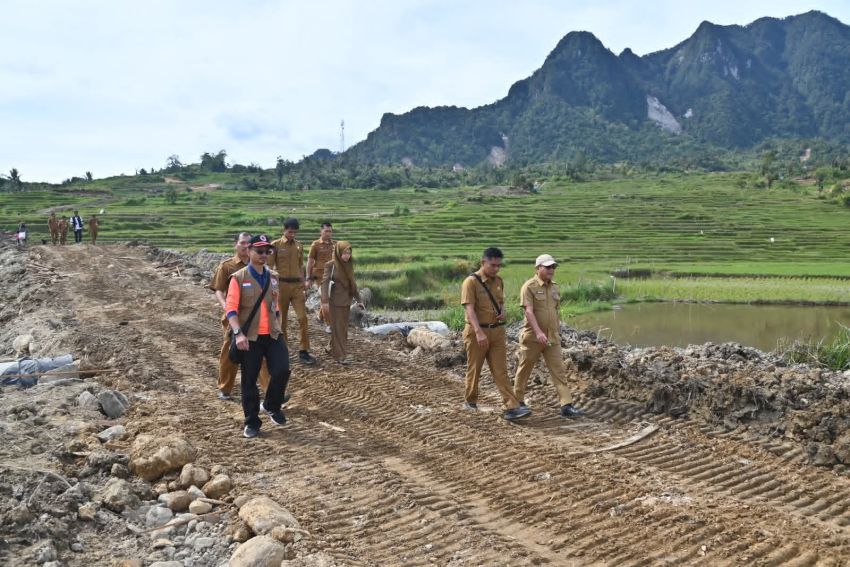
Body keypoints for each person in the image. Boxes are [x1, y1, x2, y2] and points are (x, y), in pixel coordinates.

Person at [225, 234, 290, 438]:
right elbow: (231, 309)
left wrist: (278, 324)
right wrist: (238, 334)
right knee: (249, 381)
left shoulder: (273, 277)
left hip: (272, 334)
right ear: (249, 251)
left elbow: (276, 305)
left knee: (282, 370)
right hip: (249, 337)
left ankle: (271, 405)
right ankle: (252, 422)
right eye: (259, 251)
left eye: (267, 251)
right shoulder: (239, 278)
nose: (263, 255)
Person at [461, 247, 531, 421]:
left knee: (501, 371)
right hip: (477, 332)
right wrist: (479, 332)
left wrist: (502, 311)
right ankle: (470, 401)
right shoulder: (471, 282)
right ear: (483, 262)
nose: (496, 269)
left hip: (497, 331)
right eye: (493, 265)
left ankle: (512, 407)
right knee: (474, 368)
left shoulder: (499, 281)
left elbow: (500, 302)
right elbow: (469, 309)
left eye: (499, 265)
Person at [512, 254, 584, 418]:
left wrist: (557, 330)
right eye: (548, 267)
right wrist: (538, 332)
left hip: (552, 337)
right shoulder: (529, 287)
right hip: (533, 337)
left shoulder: (555, 287)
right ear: (538, 268)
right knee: (525, 369)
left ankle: (566, 405)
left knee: (559, 370)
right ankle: (517, 401)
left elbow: (555, 311)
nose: (552, 270)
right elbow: (528, 312)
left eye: (553, 267)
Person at [210, 232, 267, 401]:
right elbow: (218, 289)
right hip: (234, 317)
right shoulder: (227, 266)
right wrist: (226, 306)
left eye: (248, 243)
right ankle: (225, 387)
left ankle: (269, 390)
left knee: (262, 354)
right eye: (242, 243)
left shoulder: (258, 266)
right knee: (230, 352)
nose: (245, 246)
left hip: (256, 316)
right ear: (235, 245)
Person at [270, 218, 316, 365]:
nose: (292, 235)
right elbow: (269, 268)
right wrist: (271, 287)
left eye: (295, 232)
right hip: (281, 286)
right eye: (290, 232)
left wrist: (304, 283)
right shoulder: (275, 245)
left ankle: (304, 351)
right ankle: (283, 350)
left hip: (297, 287)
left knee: (303, 318)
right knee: (282, 320)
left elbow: (300, 266)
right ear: (284, 230)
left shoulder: (299, 246)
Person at [321, 241, 364, 364]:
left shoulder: (349, 265)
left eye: (349, 253)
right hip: (334, 302)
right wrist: (324, 301)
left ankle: (331, 348)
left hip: (346, 301)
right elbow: (324, 283)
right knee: (339, 330)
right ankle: (340, 356)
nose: (347, 256)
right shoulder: (331, 265)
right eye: (344, 253)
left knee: (341, 328)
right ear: (338, 253)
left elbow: (352, 284)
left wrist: (359, 300)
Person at [307, 222, 335, 332]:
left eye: (330, 231)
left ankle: (320, 316)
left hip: (333, 275)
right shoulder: (315, 245)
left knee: (330, 299)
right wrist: (308, 278)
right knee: (325, 300)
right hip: (320, 276)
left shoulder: (335, 244)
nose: (328, 233)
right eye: (326, 231)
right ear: (321, 231)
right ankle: (329, 324)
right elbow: (310, 262)